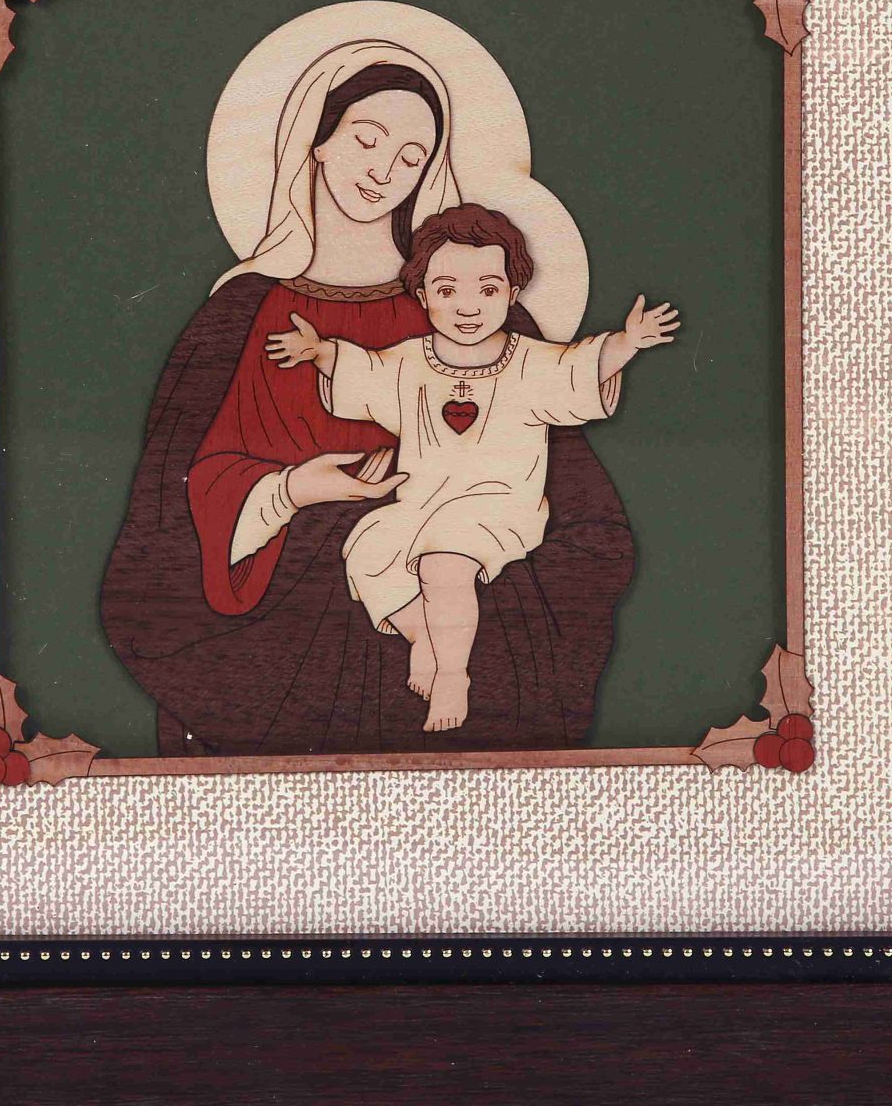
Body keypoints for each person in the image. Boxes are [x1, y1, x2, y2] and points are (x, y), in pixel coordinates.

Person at [99, 37, 639, 755]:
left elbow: (585, 517)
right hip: (287, 621)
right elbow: (167, 519)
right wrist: (294, 491)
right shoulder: (239, 315)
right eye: (366, 139)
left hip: (469, 588)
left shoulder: (467, 305)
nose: (384, 171)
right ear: (318, 140)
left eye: (412, 157)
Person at [266, 203, 678, 730]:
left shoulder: (530, 362)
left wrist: (627, 343)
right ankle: (425, 636)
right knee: (364, 553)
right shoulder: (409, 362)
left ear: (512, 293)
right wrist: (320, 351)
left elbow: (579, 368)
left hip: (499, 507)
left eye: (487, 289)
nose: (468, 307)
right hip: (420, 506)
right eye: (447, 290)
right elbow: (364, 373)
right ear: (422, 296)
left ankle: (452, 676)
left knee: (444, 564)